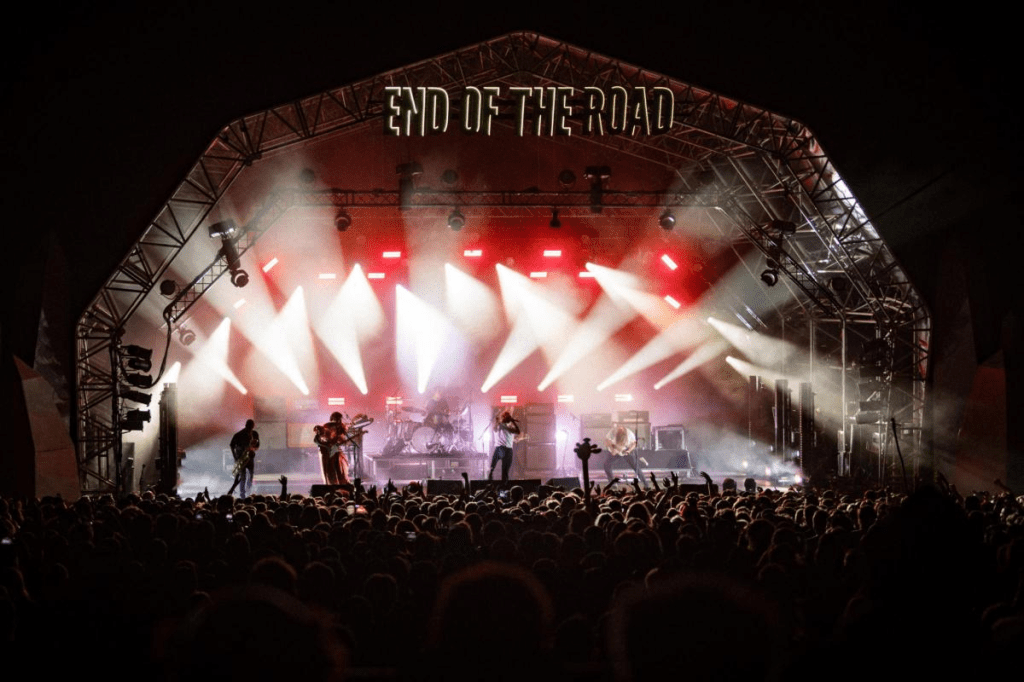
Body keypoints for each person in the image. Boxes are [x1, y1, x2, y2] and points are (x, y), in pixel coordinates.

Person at [313, 412, 349, 485]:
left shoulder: (341, 427)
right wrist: (326, 445)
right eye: (337, 419)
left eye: (339, 419)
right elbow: (317, 440)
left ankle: (341, 484)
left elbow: (342, 439)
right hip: (327, 452)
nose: (338, 421)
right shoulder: (327, 426)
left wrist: (341, 440)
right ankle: (332, 485)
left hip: (335, 451)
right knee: (329, 470)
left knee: (339, 468)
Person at [488, 409, 520, 487]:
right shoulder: (505, 427)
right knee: (505, 471)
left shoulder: (502, 426)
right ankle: (503, 484)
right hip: (506, 449)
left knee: (493, 465)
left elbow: (517, 432)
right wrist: (513, 421)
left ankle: (490, 477)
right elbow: (518, 431)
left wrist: (499, 420)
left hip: (500, 448)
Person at [229, 419, 260, 498]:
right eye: (249, 427)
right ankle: (242, 494)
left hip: (250, 458)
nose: (250, 429)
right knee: (243, 476)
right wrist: (235, 457)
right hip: (241, 457)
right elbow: (232, 445)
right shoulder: (239, 434)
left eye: (251, 427)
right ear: (246, 425)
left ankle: (248, 492)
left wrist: (253, 448)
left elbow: (257, 446)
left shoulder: (255, 434)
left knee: (251, 476)